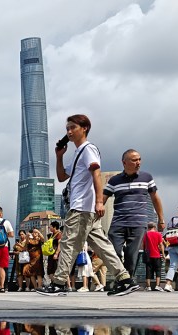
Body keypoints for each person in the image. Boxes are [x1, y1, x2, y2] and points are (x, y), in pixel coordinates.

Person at [38, 114, 139, 297]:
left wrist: (100, 201)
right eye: (67, 128)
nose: (69, 131)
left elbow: (96, 173)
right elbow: (62, 177)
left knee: (68, 244)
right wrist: (59, 156)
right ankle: (125, 280)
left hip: (81, 207)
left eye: (72, 127)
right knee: (102, 246)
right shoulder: (78, 152)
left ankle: (59, 283)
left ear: (84, 128)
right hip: (86, 209)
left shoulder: (88, 149)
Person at [103, 149, 165, 278]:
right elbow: (102, 200)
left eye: (139, 159)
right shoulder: (114, 180)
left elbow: (155, 198)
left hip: (138, 223)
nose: (138, 162)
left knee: (132, 255)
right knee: (112, 253)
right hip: (118, 223)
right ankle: (121, 278)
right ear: (124, 162)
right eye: (134, 160)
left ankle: (127, 280)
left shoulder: (147, 178)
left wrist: (161, 219)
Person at [141, 222, 165, 290]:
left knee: (148, 270)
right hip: (157, 255)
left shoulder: (146, 234)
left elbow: (143, 245)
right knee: (158, 270)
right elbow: (161, 245)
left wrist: (144, 251)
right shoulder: (158, 234)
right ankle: (157, 286)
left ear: (148, 227)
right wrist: (163, 254)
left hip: (148, 255)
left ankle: (148, 287)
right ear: (154, 227)